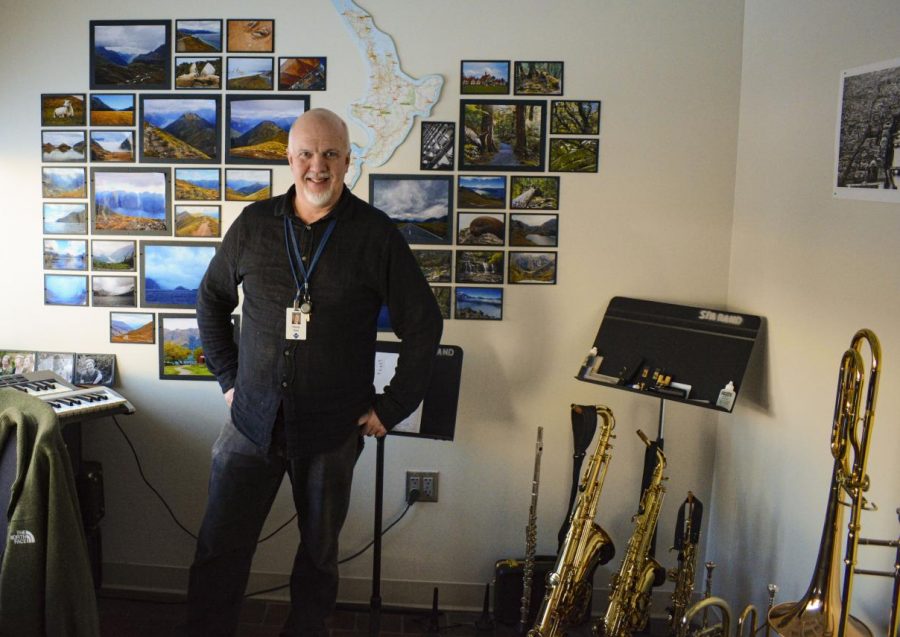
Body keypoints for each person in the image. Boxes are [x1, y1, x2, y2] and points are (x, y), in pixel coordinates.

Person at [187, 108, 443, 637]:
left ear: (349, 160)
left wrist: (392, 407)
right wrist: (229, 379)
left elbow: (425, 326)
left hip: (331, 429)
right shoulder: (254, 225)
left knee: (319, 559)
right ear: (289, 158)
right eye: (306, 153)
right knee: (219, 550)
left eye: (330, 154)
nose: (317, 166)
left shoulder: (376, 235)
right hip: (250, 421)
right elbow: (210, 301)